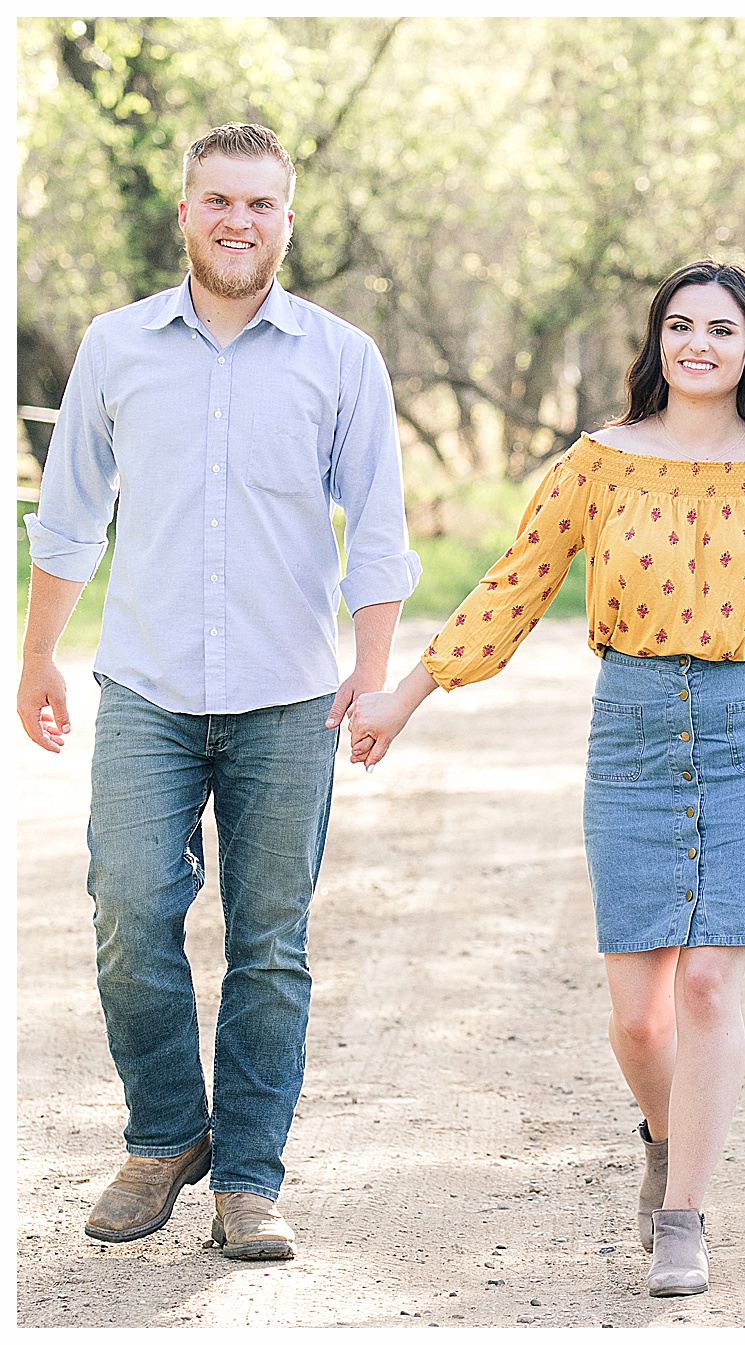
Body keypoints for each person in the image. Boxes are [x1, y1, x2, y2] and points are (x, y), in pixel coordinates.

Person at [344, 259, 745, 1297]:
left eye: (721, 329)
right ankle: (667, 1138)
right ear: (656, 342)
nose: (699, 345)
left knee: (713, 981)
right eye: (680, 326)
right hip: (633, 722)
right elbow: (516, 582)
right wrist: (406, 692)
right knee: (640, 1014)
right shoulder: (601, 461)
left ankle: (686, 1219)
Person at [17, 123, 420, 1261]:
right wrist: (38, 655)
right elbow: (71, 513)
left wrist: (375, 674)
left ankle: (247, 1177)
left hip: (288, 697)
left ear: (288, 220)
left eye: (260, 203)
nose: (239, 220)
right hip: (146, 683)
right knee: (128, 911)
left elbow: (379, 531)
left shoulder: (342, 358)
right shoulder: (116, 344)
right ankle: (163, 1134)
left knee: (270, 940)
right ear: (185, 214)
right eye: (218, 201)